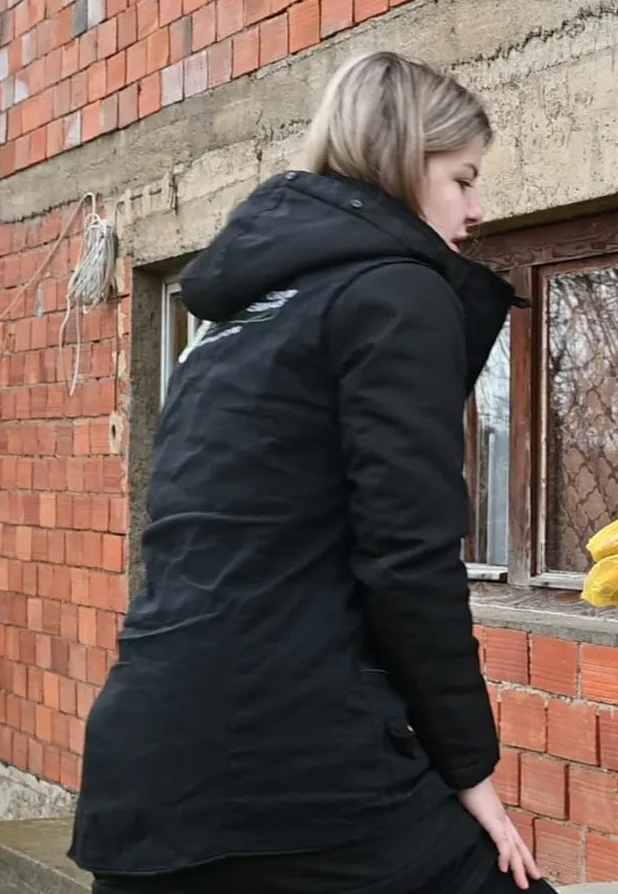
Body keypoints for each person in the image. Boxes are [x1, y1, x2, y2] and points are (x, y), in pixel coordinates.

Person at [68, 51, 552, 894]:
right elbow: (409, 558)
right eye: (463, 178)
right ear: (405, 161)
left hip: (148, 764)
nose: (479, 209)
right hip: (290, 757)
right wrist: (471, 771)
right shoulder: (396, 293)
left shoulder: (230, 321)